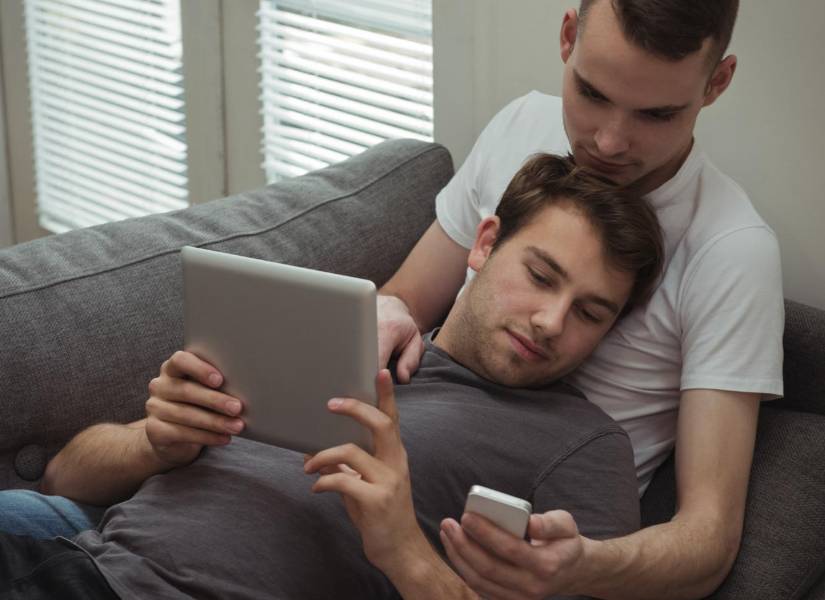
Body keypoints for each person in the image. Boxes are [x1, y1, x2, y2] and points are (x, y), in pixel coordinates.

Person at [0, 154, 663, 599]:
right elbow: (61, 478)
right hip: (77, 550)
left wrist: (403, 548)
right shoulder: (338, 328)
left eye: (589, 312)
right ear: (485, 243)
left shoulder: (582, 443)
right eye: (540, 276)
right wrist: (154, 441)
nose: (550, 322)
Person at [378, 0, 785, 598]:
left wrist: (586, 565)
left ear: (716, 83)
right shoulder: (521, 124)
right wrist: (386, 311)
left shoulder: (731, 252)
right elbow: (404, 299)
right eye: (592, 93)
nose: (609, 141)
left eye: (657, 114)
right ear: (569, 36)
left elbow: (709, 536)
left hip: (514, 510)